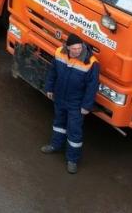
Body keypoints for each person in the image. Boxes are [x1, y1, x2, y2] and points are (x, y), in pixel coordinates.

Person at [40, 34, 100, 174]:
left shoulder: (91, 62)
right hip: (60, 97)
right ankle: (55, 145)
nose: (77, 51)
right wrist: (49, 88)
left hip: (76, 102)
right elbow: (53, 72)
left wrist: (86, 106)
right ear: (67, 48)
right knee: (59, 124)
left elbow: (92, 87)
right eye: (74, 49)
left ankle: (72, 159)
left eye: (79, 48)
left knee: (74, 130)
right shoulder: (59, 53)